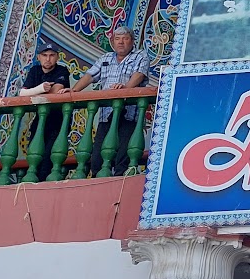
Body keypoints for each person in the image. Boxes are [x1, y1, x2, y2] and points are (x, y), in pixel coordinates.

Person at [72, 26, 151, 175]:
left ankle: (120, 180)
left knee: (123, 152)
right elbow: (89, 76)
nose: (121, 42)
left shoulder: (140, 55)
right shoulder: (106, 58)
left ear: (132, 41)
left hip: (129, 114)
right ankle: (97, 179)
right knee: (98, 154)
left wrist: (125, 89)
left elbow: (139, 75)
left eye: (125, 38)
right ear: (112, 42)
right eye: (117, 39)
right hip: (106, 114)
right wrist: (74, 91)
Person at [17, 41, 71, 181]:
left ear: (57, 57)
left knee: (48, 157)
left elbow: (54, 92)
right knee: (34, 155)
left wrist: (35, 92)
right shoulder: (35, 71)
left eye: (52, 55)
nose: (48, 59)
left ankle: (41, 183)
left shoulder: (62, 71)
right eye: (44, 55)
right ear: (39, 57)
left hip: (57, 121)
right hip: (40, 120)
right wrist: (41, 88)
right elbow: (22, 94)